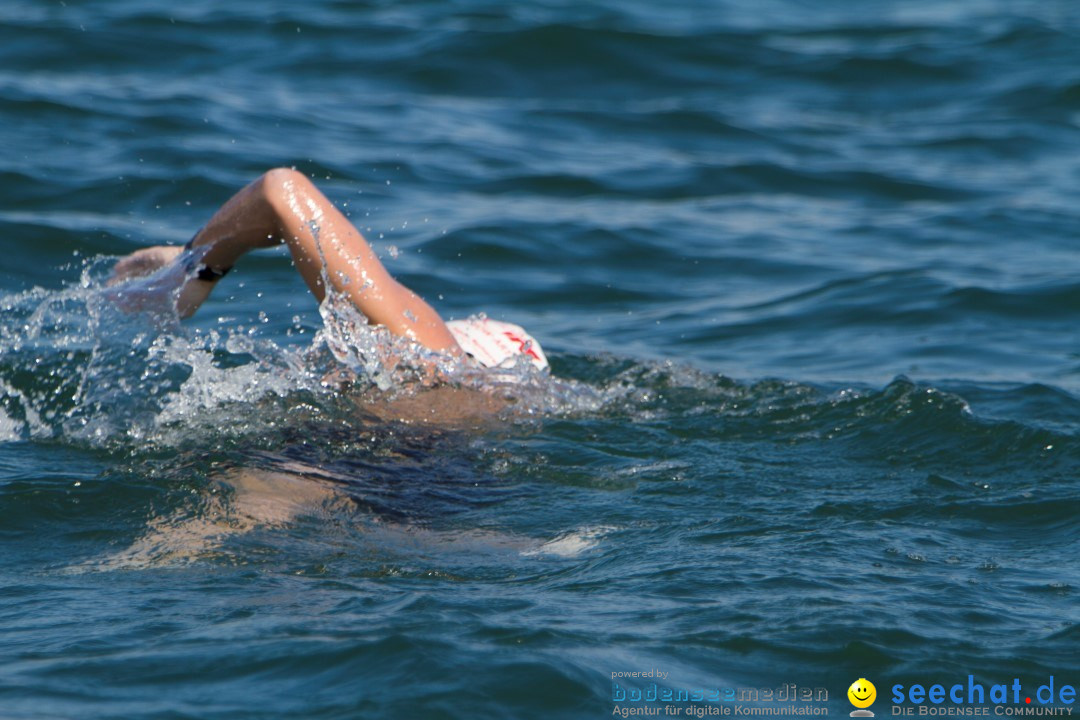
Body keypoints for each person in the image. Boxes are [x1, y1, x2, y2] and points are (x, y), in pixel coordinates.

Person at [109, 168, 548, 374]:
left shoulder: (433, 353)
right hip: (439, 498)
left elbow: (283, 190)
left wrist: (193, 268)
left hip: (336, 464)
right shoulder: (493, 412)